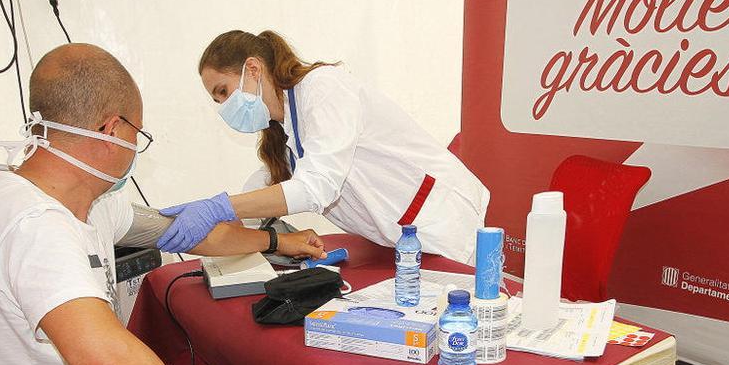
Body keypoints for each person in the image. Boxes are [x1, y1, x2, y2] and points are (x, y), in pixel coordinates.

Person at [0, 44, 326, 365]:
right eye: (136, 134)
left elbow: (189, 233)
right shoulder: (37, 225)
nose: (135, 146)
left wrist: (275, 241)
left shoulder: (81, 201)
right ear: (112, 130)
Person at [156, 30, 490, 264]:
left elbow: (316, 188)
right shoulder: (285, 130)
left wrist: (220, 208)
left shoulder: (323, 89)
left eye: (223, 92)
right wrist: (211, 218)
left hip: (444, 221)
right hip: (403, 237)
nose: (224, 108)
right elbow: (264, 187)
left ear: (253, 68)